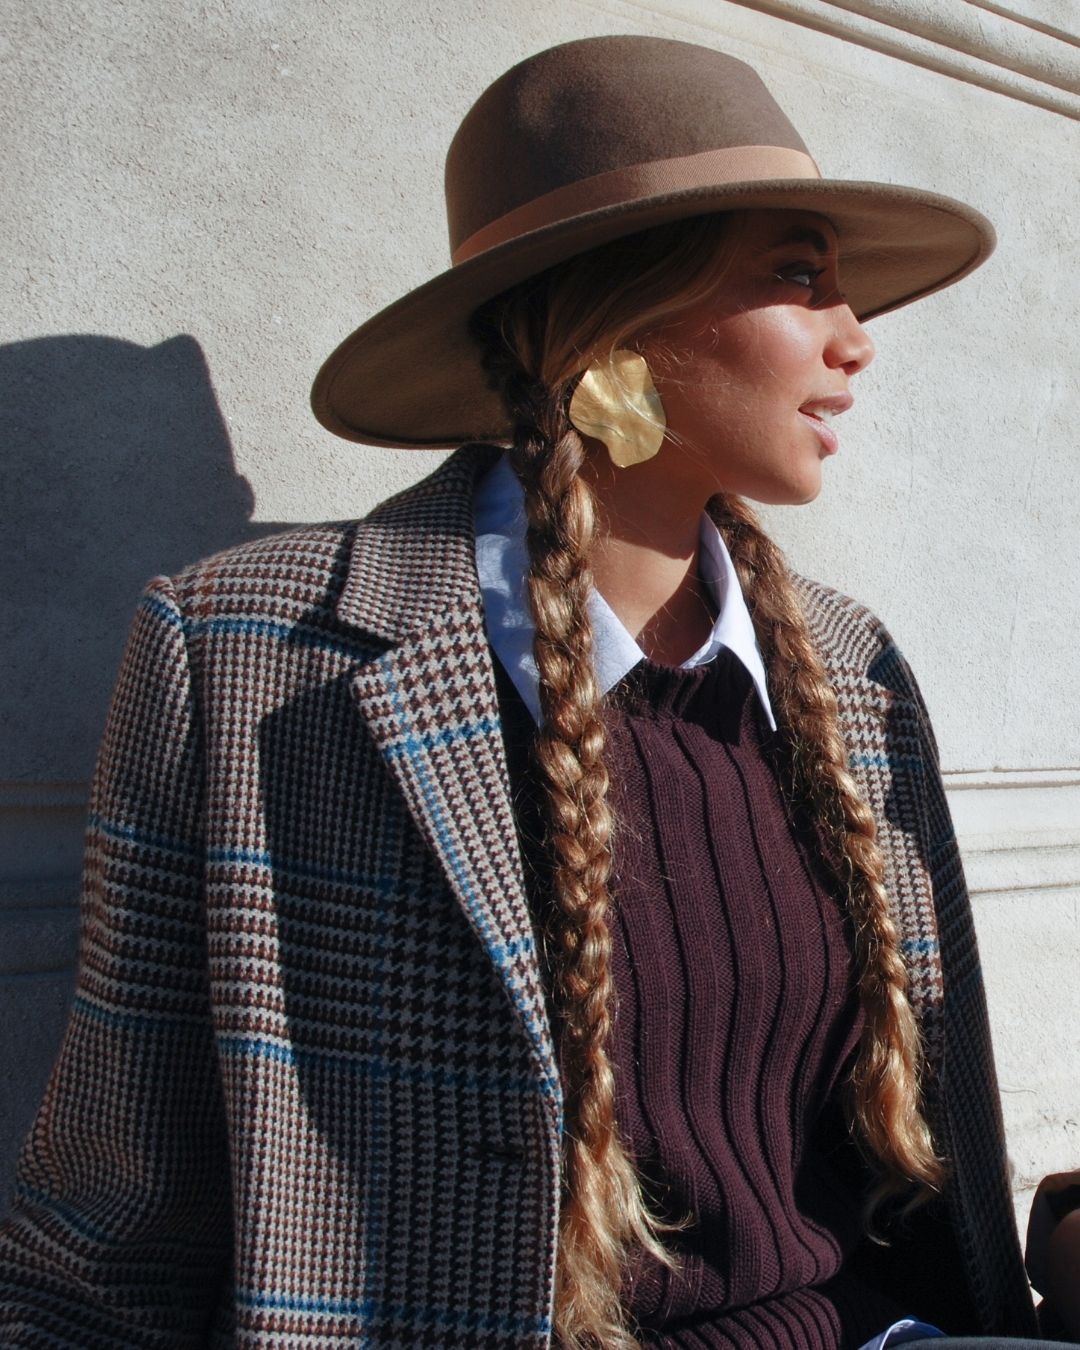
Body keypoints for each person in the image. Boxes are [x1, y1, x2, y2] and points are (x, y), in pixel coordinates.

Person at [0, 32, 1073, 1350]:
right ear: (622, 320)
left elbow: (919, 1189)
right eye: (802, 274)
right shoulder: (252, 661)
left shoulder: (852, 673)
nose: (859, 340)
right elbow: (109, 1230)